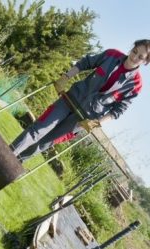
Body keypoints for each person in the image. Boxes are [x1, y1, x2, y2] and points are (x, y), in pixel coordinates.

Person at [9, 39, 150, 162]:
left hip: (84, 118)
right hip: (71, 99)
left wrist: (96, 123)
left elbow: (119, 110)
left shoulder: (136, 84)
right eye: (135, 51)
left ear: (145, 61)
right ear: (131, 48)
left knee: (46, 142)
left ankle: (17, 162)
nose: (134, 57)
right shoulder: (111, 55)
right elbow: (85, 62)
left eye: (140, 57)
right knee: (39, 128)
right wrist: (65, 77)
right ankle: (9, 153)